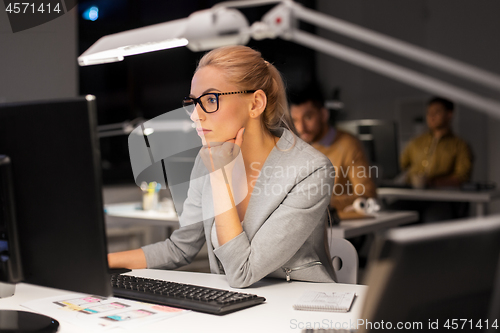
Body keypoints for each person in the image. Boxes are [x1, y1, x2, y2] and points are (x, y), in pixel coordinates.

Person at [108, 46, 336, 288]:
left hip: (297, 309)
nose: (195, 116)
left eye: (210, 99)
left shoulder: (311, 169)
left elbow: (242, 272)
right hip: (235, 305)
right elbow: (179, 248)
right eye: (193, 103)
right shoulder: (208, 158)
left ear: (255, 104)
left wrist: (219, 176)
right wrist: (102, 260)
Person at [289, 86, 377, 213]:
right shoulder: (299, 148)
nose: (301, 127)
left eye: (308, 117)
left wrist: (321, 204)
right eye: (295, 120)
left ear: (324, 115)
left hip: (342, 226)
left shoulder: (348, 145)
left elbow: (367, 193)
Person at [400, 97, 473, 189]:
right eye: (429, 113)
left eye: (437, 112)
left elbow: (462, 176)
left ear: (449, 115)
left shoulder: (460, 145)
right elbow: (400, 165)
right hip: (412, 193)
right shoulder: (416, 142)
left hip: (442, 196)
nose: (431, 116)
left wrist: (432, 182)